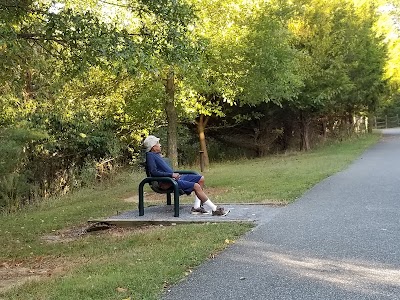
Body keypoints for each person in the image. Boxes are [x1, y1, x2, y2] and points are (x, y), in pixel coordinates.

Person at [143, 135, 227, 216]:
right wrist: (171, 174)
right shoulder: (150, 156)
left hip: (173, 178)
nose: (160, 145)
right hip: (167, 182)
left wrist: (173, 174)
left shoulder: (156, 155)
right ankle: (214, 209)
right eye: (158, 143)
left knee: (200, 178)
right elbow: (154, 172)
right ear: (153, 147)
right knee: (196, 186)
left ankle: (196, 207)